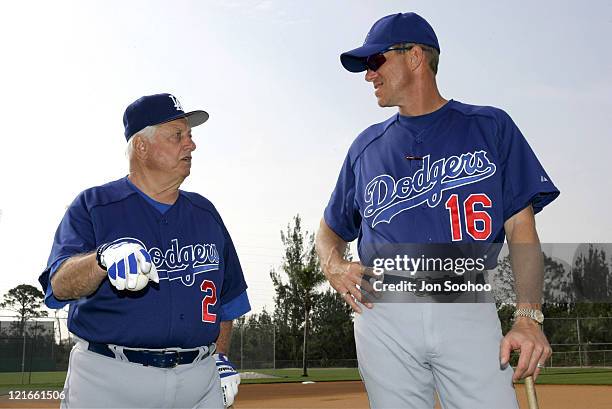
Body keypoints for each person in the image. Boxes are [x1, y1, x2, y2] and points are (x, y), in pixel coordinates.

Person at [315, 13, 560, 409]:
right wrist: (334, 265)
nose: (368, 75)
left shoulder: (490, 126)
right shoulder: (365, 148)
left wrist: (529, 316)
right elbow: (328, 231)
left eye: (375, 62)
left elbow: (521, 231)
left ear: (414, 57)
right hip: (384, 314)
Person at [39, 93, 249, 408]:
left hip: (199, 380)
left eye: (190, 136)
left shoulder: (206, 214)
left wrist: (220, 357)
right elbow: (60, 285)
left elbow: (228, 301)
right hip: (109, 380)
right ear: (141, 146)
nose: (191, 145)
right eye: (178, 135)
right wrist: (100, 260)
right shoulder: (94, 206)